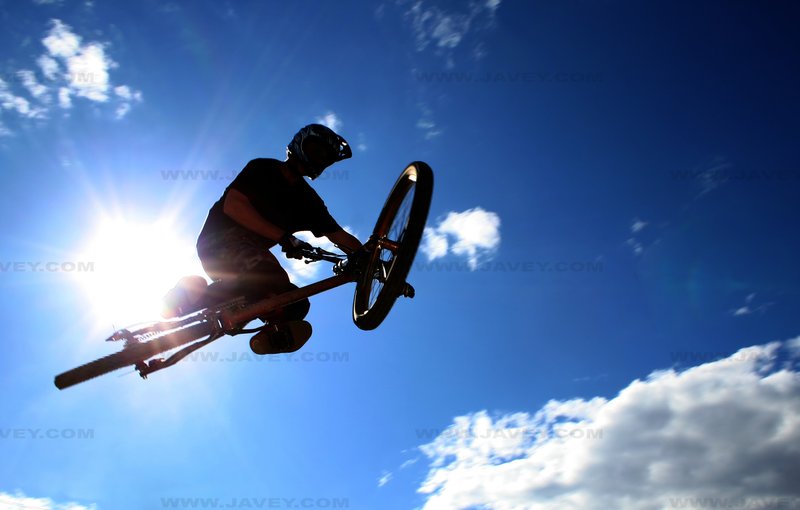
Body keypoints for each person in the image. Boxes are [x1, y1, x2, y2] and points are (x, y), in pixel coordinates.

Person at [167, 124, 363, 355]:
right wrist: (283, 237)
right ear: (300, 144)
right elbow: (234, 206)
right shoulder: (264, 168)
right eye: (316, 150)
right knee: (270, 275)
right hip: (218, 240)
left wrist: (370, 257)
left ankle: (202, 302)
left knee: (295, 302)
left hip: (247, 258)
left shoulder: (309, 201)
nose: (318, 159)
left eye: (324, 158)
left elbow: (338, 235)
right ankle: (186, 294)